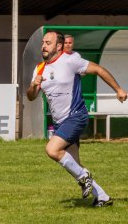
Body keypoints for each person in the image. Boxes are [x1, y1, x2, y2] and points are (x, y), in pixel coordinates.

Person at [27, 30, 127, 207]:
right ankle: (103, 197)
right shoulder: (39, 68)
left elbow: (99, 69)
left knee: (52, 149)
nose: (43, 46)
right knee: (74, 165)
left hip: (76, 116)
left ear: (58, 46)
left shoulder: (70, 61)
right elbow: (31, 96)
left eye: (48, 43)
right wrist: (34, 85)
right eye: (43, 42)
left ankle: (84, 177)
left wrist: (118, 90)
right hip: (60, 122)